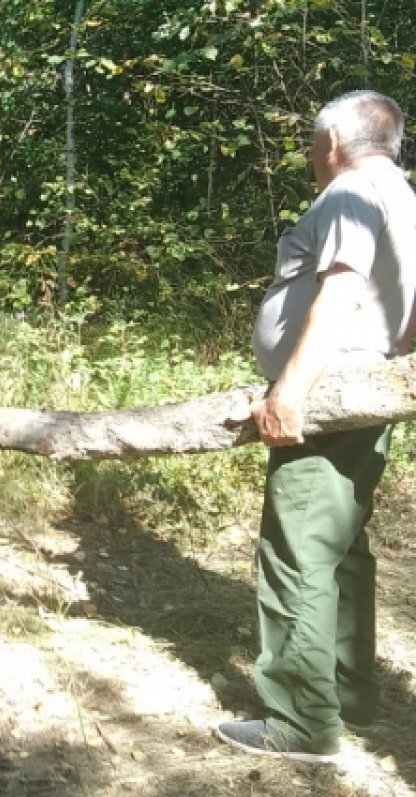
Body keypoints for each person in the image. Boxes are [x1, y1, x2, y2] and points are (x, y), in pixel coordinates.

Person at [216, 90, 416, 763]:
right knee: (341, 546)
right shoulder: (404, 197)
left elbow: (340, 287)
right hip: (371, 390)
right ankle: (347, 689)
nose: (308, 156)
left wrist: (291, 390)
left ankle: (302, 723)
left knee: (298, 549)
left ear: (332, 141)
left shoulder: (349, 191)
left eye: (310, 144)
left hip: (330, 396)